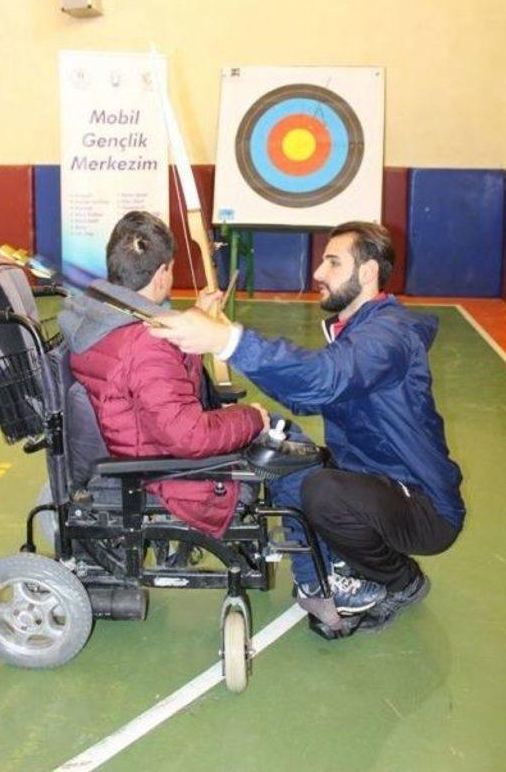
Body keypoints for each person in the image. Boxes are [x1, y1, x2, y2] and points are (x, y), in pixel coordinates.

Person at [58, 211, 385, 617]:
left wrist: (196, 316)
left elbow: (150, 377)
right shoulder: (144, 343)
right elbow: (189, 435)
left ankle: (323, 562)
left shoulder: (101, 317)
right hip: (169, 473)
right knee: (292, 453)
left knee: (289, 437)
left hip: (144, 450)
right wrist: (250, 417)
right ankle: (316, 581)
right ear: (162, 273)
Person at [148, 221, 465, 630]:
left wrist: (228, 341)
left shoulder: (388, 335)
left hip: (423, 506)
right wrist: (226, 341)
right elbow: (305, 395)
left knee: (323, 492)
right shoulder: (359, 329)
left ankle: (402, 581)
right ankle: (327, 570)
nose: (318, 273)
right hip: (375, 482)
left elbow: (324, 380)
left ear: (367, 273)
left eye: (333, 263)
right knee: (282, 444)